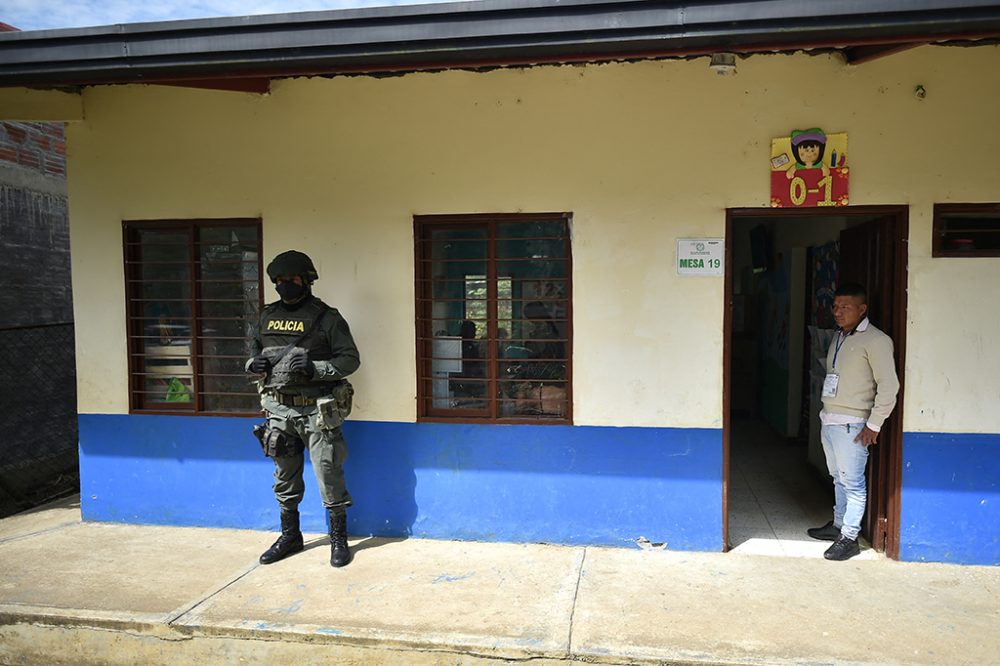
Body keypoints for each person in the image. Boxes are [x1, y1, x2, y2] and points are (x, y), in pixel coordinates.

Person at [247, 250, 361, 568]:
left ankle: (338, 539)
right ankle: (290, 536)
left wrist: (315, 368)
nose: (285, 285)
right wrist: (251, 364)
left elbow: (350, 359)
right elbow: (253, 350)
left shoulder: (327, 318)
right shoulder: (266, 316)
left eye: (292, 280)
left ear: (307, 281)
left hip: (316, 411)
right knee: (285, 476)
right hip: (279, 410)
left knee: (328, 472)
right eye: (280, 281)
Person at [807, 282, 899, 561]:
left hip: (853, 423)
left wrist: (874, 424)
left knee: (853, 482)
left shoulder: (877, 340)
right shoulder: (841, 336)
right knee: (838, 478)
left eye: (845, 307)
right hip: (831, 419)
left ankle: (849, 537)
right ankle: (837, 525)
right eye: (835, 306)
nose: (838, 311)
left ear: (862, 309)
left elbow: (889, 386)